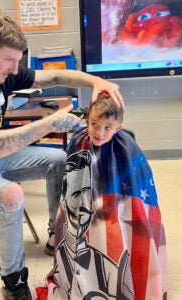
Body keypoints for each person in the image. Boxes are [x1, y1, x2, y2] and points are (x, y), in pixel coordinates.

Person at [0, 10, 124, 300]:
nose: (15, 68)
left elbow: (55, 74)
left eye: (18, 60)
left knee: (58, 159)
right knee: (11, 195)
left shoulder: (2, 72)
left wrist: (96, 82)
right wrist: (50, 123)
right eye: (9, 60)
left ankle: (56, 236)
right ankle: (14, 283)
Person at [34, 93, 167, 300]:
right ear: (87, 119)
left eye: (108, 127)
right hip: (82, 205)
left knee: (113, 234)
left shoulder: (126, 148)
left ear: (118, 128)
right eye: (94, 124)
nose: (99, 132)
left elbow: (136, 184)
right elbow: (71, 183)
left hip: (114, 206)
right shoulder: (79, 141)